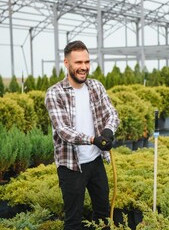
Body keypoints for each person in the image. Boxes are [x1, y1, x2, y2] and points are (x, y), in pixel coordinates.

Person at [45, 40, 120, 229]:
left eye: (87, 62)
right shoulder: (55, 93)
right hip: (71, 166)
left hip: (95, 162)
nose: (84, 67)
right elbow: (63, 130)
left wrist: (108, 131)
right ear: (66, 63)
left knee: (103, 216)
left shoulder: (96, 86)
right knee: (74, 221)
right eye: (78, 63)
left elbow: (111, 113)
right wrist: (94, 139)